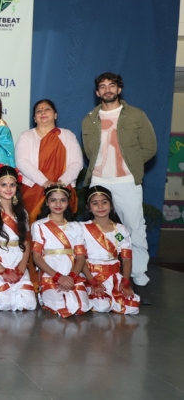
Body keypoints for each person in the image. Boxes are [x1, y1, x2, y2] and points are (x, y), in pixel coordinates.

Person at [82, 72, 157, 304]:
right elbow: (90, 152)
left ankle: (139, 279)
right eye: (103, 86)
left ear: (119, 89)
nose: (107, 89)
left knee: (135, 228)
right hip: (99, 180)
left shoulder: (136, 115)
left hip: (126, 181)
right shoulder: (89, 119)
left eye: (111, 85)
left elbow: (150, 148)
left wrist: (129, 165)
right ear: (97, 92)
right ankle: (96, 278)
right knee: (97, 230)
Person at [15, 99, 82, 222]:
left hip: (63, 190)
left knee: (62, 228)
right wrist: (45, 183)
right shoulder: (26, 136)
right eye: (38, 111)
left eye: (47, 109)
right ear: (34, 118)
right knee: (33, 227)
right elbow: (22, 162)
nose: (43, 112)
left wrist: (61, 184)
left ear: (55, 115)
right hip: (34, 190)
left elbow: (77, 163)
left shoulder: (68, 135)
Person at [31, 185, 90, 318]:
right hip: (50, 275)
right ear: (47, 202)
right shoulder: (39, 225)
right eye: (53, 200)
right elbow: (36, 257)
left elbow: (81, 257)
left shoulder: (76, 227)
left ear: (68, 202)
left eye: (62, 200)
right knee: (61, 307)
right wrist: (59, 277)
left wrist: (71, 277)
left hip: (72, 275)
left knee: (82, 306)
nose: (58, 204)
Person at [80, 185, 140, 314]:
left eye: (104, 202)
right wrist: (93, 282)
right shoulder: (82, 229)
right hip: (91, 276)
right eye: (95, 203)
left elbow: (126, 259)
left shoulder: (119, 231)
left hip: (114, 277)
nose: (100, 206)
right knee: (102, 306)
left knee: (132, 306)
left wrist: (125, 282)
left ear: (111, 205)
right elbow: (80, 259)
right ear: (88, 207)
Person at [0, 165, 36, 312]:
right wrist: (2, 271)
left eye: (12, 185)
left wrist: (21, 268)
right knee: (3, 303)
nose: (8, 189)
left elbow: (26, 242)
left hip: (18, 262)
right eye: (4, 185)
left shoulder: (22, 212)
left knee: (28, 304)